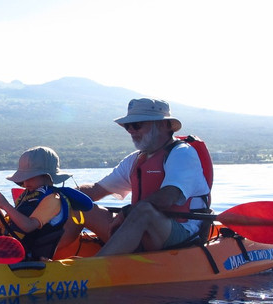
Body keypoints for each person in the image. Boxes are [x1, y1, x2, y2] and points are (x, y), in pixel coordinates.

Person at [76, 98, 212, 257]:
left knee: (144, 211)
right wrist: (58, 194)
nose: (131, 130)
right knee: (77, 204)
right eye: (128, 126)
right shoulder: (135, 160)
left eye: (137, 124)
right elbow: (96, 190)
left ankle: (94, 267)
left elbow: (168, 197)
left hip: (182, 234)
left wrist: (127, 212)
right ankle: (46, 259)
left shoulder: (182, 153)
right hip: (144, 232)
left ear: (162, 125)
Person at [0, 146, 79, 261]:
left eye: (30, 177)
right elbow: (3, 225)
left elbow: (28, 227)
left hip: (32, 258)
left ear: (46, 176)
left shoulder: (52, 199)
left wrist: (6, 205)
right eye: (23, 178)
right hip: (11, 251)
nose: (25, 182)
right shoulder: (27, 196)